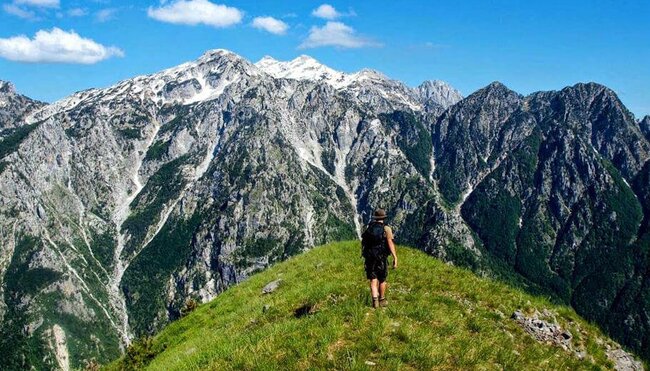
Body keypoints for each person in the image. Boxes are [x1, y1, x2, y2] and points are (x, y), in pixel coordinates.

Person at [361, 208, 397, 308]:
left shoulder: (369, 228)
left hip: (370, 258)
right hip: (381, 257)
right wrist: (395, 257)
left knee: (373, 279)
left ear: (375, 218)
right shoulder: (386, 229)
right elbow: (390, 243)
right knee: (382, 279)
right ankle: (382, 299)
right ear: (383, 218)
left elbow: (364, 242)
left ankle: (375, 301)